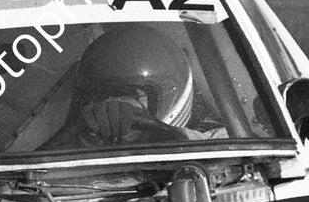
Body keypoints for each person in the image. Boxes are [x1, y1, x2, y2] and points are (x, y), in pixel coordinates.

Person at [44, 27, 198, 148]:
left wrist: (172, 137)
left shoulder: (208, 146)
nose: (118, 106)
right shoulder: (74, 151)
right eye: (106, 94)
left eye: (136, 95)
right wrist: (77, 135)